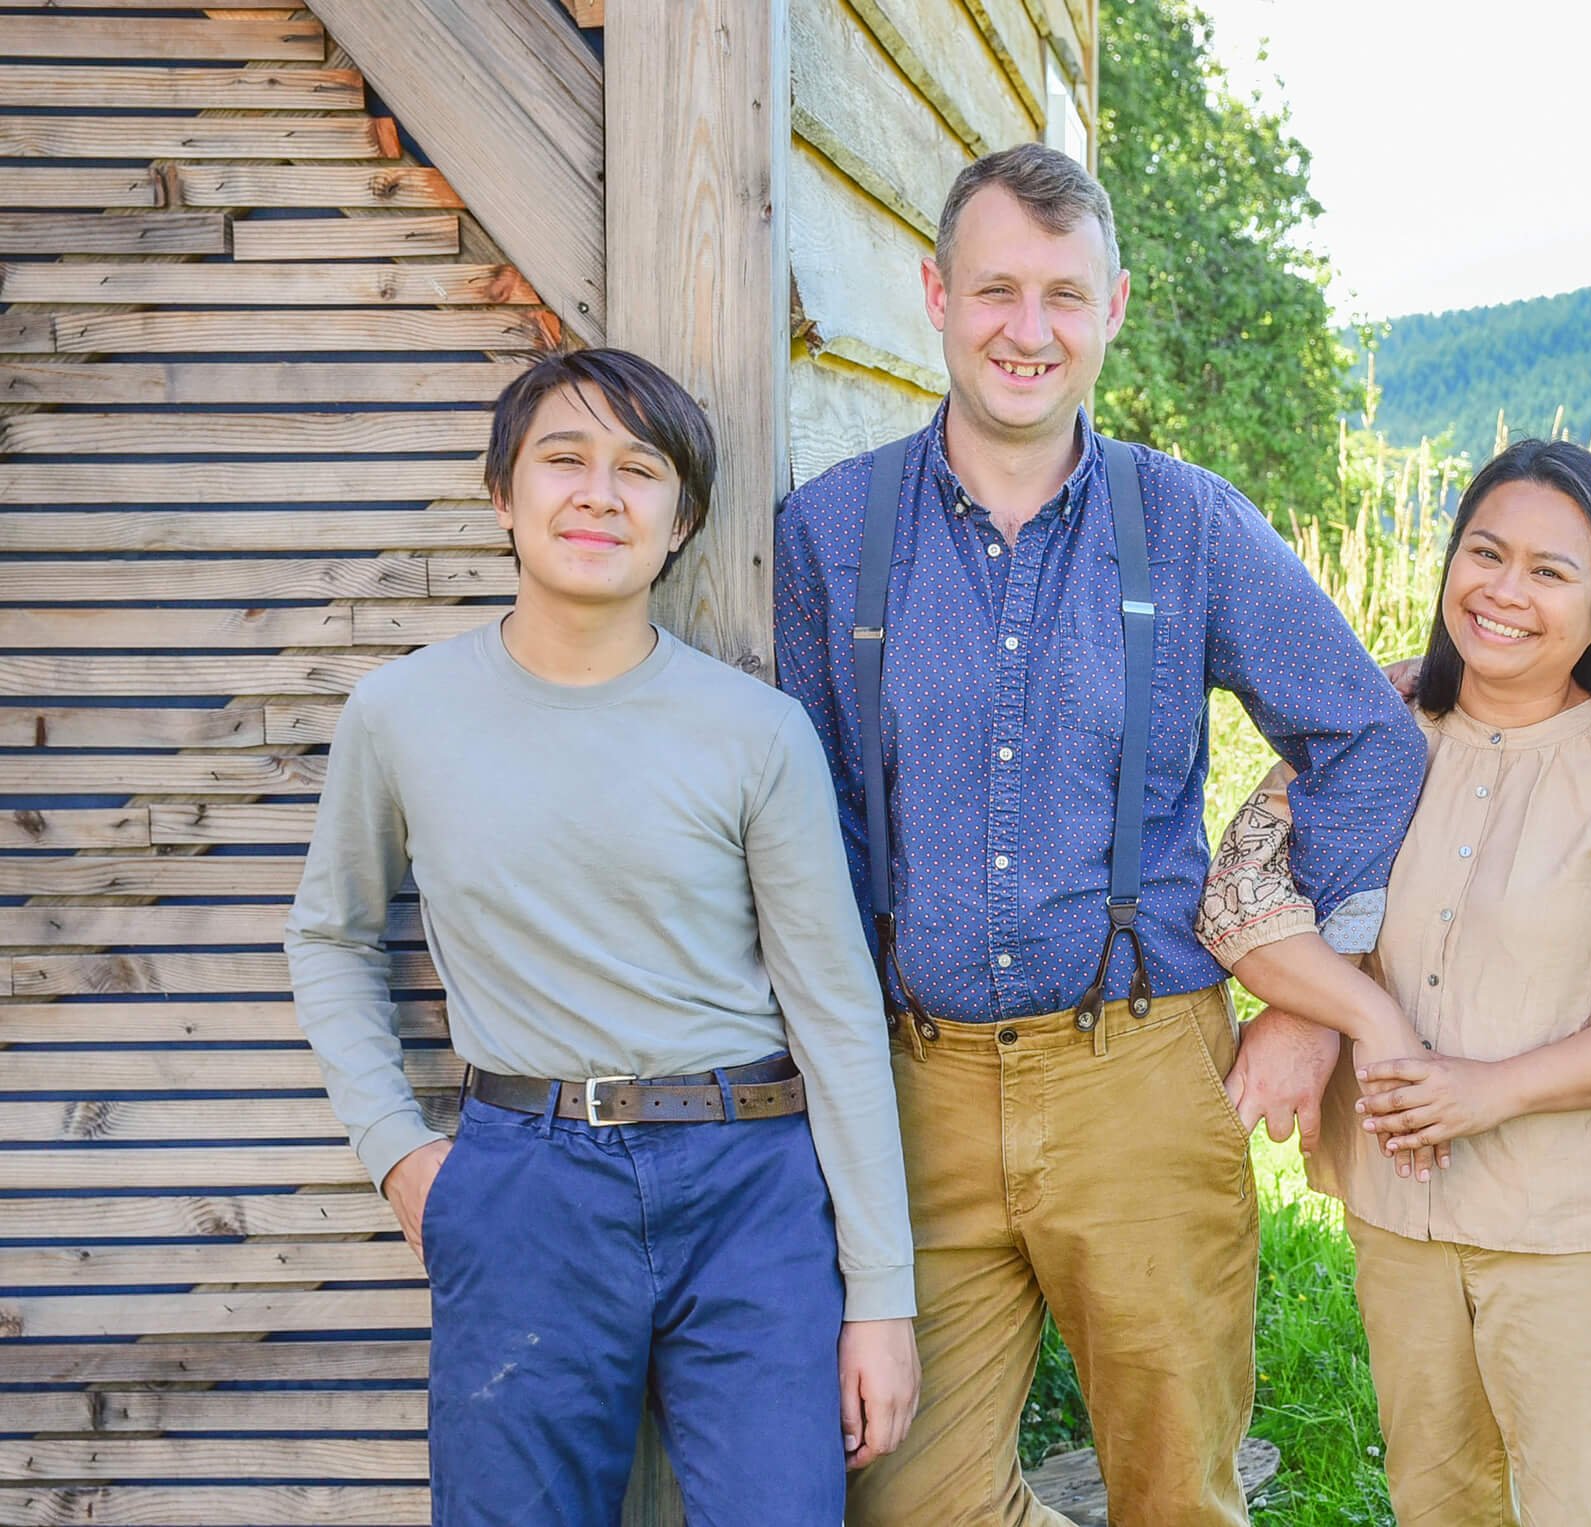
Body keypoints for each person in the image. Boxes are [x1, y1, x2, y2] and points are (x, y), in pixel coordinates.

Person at [773, 144, 1423, 1525]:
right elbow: (802, 815)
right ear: (936, 294)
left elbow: (1367, 740)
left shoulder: (1185, 522)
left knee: (1179, 1492)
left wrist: (1314, 1006)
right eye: (998, 289)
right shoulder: (830, 533)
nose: (1029, 329)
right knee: (910, 1502)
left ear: (1113, 307)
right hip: (910, 1088)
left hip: (1140, 1072)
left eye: (1064, 294)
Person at [287, 348, 919, 1524]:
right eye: (562, 459)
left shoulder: (756, 733)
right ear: (502, 495)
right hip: (521, 1184)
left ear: (679, 523)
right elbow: (330, 935)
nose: (599, 493)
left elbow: (835, 1012)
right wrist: (395, 1144)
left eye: (641, 470)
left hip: (749, 1185)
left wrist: (880, 1297)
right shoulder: (402, 713)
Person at [1199, 439, 1591, 1525]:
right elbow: (1240, 898)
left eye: (1549, 571)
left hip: (1572, 1223)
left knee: (1589, 1507)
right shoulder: (1373, 734)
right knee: (1437, 1499)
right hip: (1399, 1203)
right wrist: (1371, 1019)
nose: (1504, 591)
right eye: (1485, 554)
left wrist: (1487, 1089)